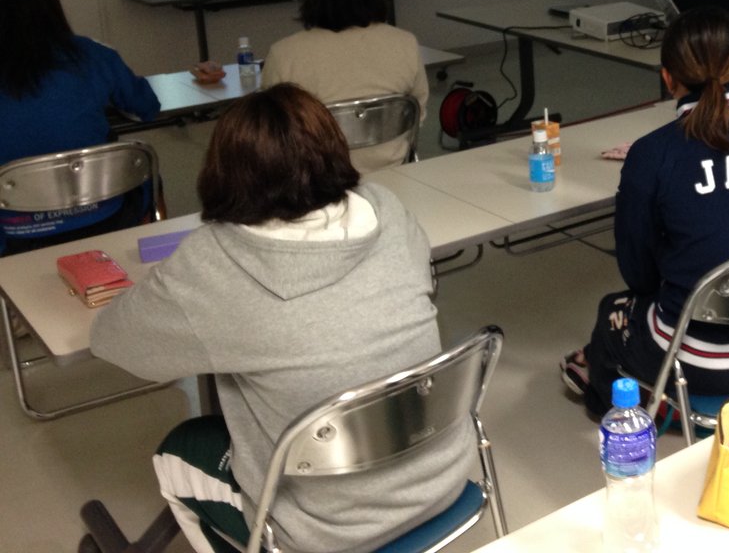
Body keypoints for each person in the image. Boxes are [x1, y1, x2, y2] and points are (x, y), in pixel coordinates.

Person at [90, 84, 470, 553]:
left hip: (323, 529)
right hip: (441, 479)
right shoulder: (386, 209)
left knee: (179, 449)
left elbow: (115, 343)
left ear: (223, 171)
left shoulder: (212, 261)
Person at [560, 7, 729, 417]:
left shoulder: (653, 154)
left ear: (667, 78)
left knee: (612, 311)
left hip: (699, 362)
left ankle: (613, 395)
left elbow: (638, 276)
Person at [0, 0, 160, 253]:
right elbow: (147, 107)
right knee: (148, 171)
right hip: (105, 215)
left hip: (16, 231)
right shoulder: (92, 54)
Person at [261, 0, 428, 172]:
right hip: (394, 174)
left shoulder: (283, 54)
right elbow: (418, 115)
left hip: (318, 182)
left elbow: (272, 133)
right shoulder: (405, 43)